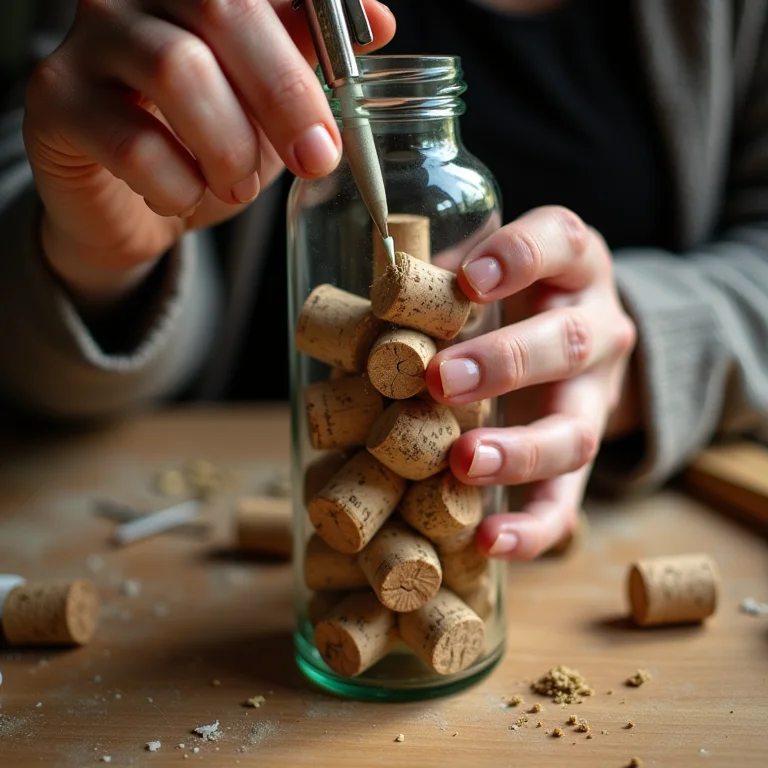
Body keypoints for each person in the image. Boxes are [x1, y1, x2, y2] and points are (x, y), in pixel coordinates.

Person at [1, 0, 767, 560]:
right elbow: (36, 144)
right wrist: (93, 255)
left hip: (589, 508)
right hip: (216, 497)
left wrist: (644, 334)